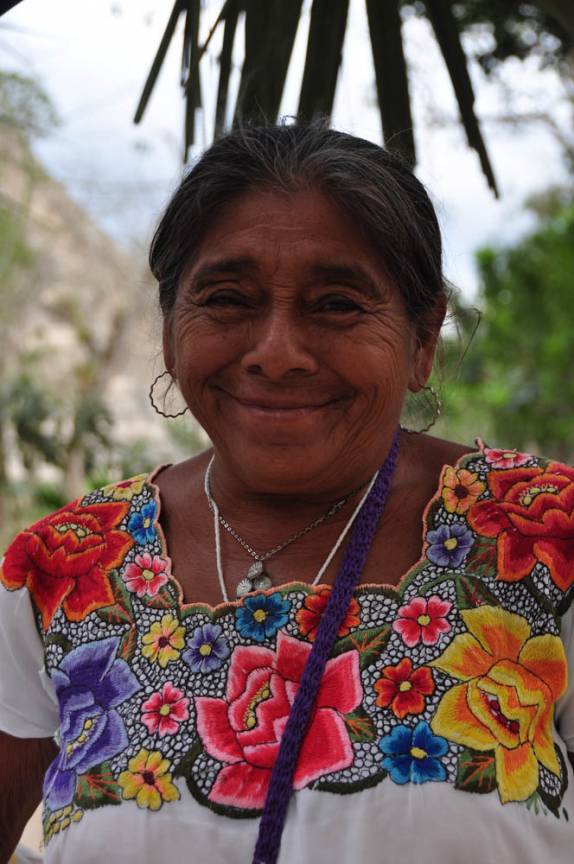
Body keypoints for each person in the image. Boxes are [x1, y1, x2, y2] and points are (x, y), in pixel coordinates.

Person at [1, 122, 573, 864]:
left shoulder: (544, 538)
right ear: (172, 330)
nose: (276, 354)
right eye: (228, 298)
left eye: (337, 304)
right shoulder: (63, 570)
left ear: (423, 338)